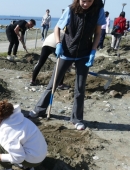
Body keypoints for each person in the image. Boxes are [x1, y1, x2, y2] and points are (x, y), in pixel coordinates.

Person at [29, 0, 105, 131]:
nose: (85, 4)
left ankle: (77, 119)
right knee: (53, 84)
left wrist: (93, 51)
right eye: (83, 1)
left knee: (80, 88)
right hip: (67, 51)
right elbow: (57, 28)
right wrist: (58, 44)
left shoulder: (98, 11)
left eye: (89, 1)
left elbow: (98, 33)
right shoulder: (71, 9)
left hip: (84, 53)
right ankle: (39, 109)